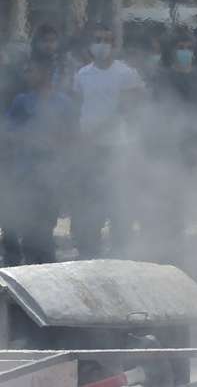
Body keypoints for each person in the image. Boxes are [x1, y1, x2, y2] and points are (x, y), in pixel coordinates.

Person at [71, 24, 146, 259]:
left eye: (107, 41)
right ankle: (89, 251)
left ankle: (121, 252)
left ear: (114, 46)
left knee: (117, 202)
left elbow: (133, 107)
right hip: (88, 148)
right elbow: (76, 106)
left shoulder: (126, 74)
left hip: (117, 147)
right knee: (90, 201)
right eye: (97, 40)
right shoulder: (83, 75)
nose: (102, 45)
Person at [2, 57, 78, 265]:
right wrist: (27, 136)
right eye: (26, 70)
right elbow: (8, 131)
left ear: (45, 72)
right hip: (26, 174)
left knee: (45, 229)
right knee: (28, 229)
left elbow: (72, 137)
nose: (27, 74)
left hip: (52, 175)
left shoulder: (63, 103)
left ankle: (45, 273)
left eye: (31, 70)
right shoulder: (22, 101)